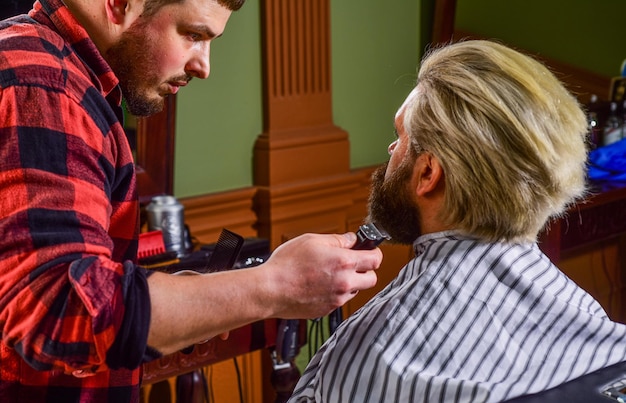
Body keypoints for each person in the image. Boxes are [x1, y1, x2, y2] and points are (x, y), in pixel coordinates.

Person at [0, 0, 382, 401]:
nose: (204, 66)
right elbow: (63, 309)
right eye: (193, 35)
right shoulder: (44, 85)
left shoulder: (58, 74)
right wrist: (276, 283)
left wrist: (192, 296)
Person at [288, 40, 626, 403]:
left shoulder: (377, 350)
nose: (390, 150)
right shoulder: (592, 322)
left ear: (428, 173)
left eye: (399, 136)